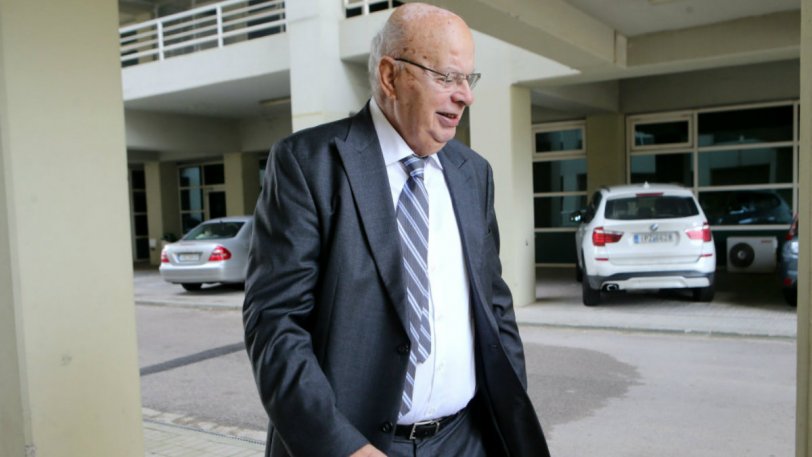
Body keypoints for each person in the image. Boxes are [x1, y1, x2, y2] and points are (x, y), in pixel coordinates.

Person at [243, 3, 550, 456]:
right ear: (390, 76)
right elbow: (275, 324)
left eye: (469, 78)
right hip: (359, 445)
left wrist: (506, 410)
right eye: (447, 77)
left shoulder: (473, 172)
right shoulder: (307, 164)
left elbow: (495, 306)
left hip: (466, 440)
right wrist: (343, 447)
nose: (465, 96)